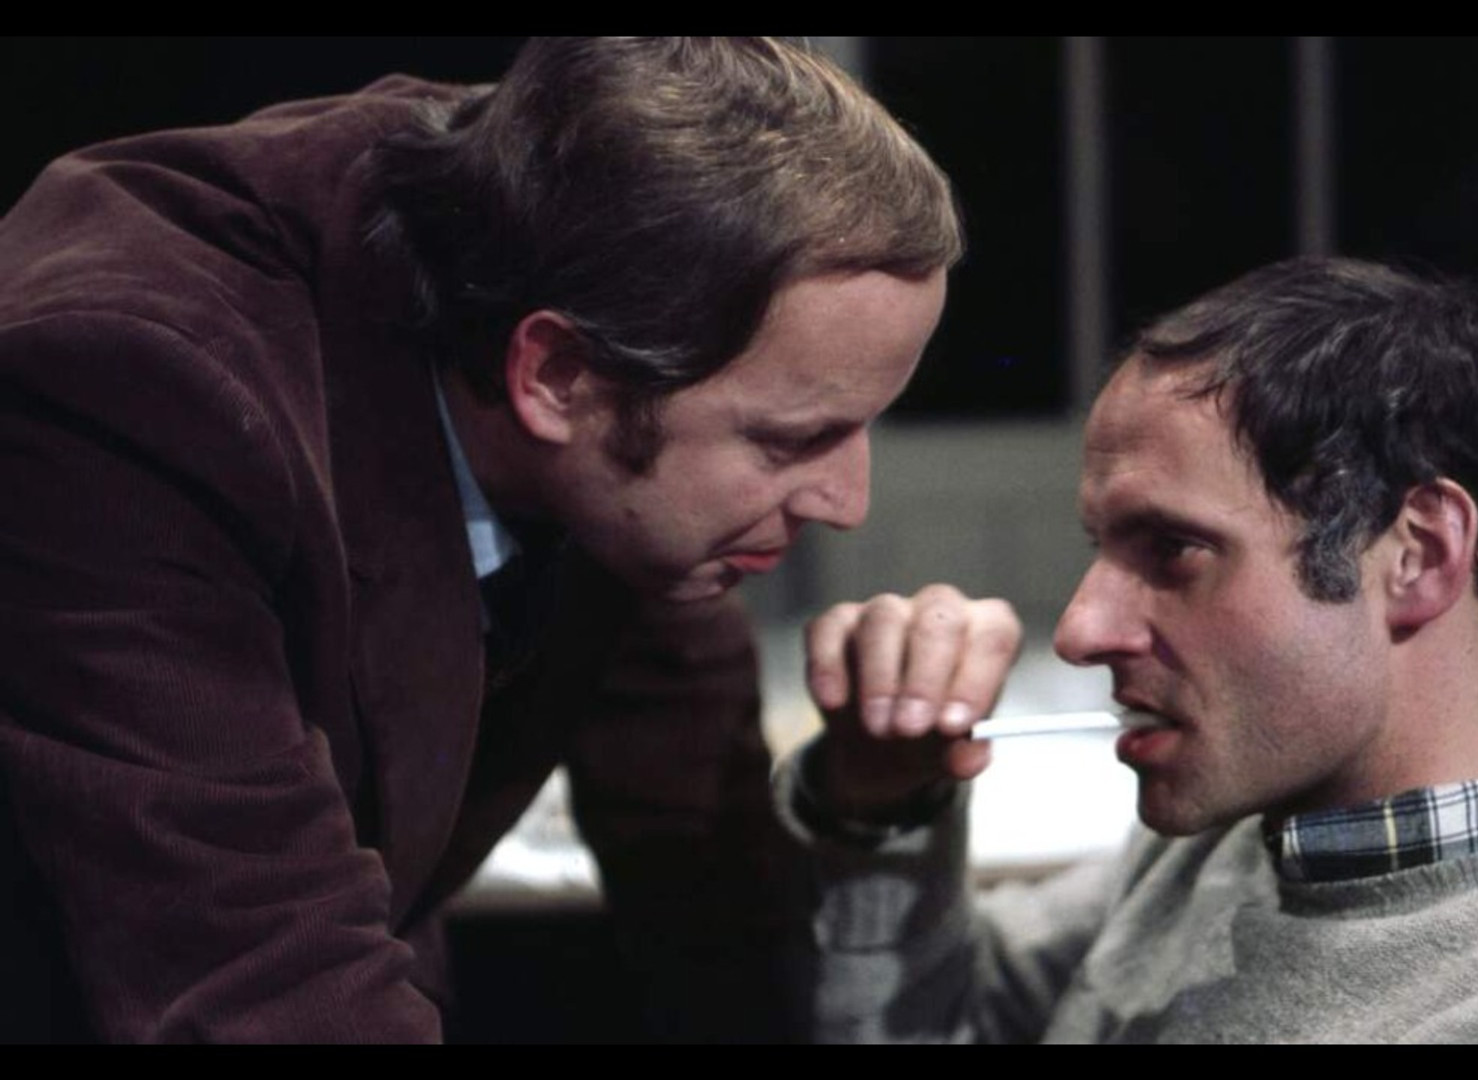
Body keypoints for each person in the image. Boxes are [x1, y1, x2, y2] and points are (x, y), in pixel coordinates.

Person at [0, 37, 966, 1042]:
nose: (848, 501)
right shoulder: (129, 399)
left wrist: (868, 800)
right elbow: (257, 981)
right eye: (792, 439)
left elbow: (703, 882)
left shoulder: (607, 254)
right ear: (555, 378)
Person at [779, 257, 1478, 1043]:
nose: (1084, 629)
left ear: (1420, 555)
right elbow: (959, 1018)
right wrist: (881, 801)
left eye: (1174, 549)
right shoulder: (1244, 828)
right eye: (1104, 551)